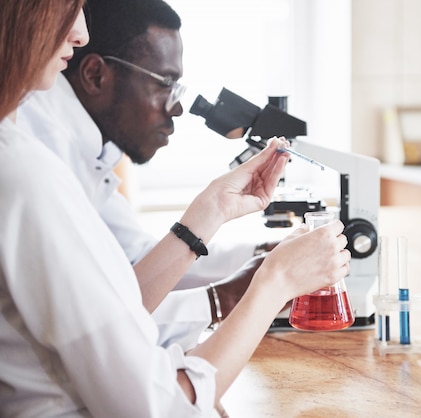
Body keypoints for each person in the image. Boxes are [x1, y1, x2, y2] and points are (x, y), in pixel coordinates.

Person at [0, 0, 351, 415]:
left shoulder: (22, 152)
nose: (81, 32)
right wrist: (275, 283)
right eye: (69, 6)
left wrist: (213, 209)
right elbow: (160, 406)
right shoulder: (28, 170)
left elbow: (112, 305)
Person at [17, 0, 279, 343]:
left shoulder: (86, 147)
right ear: (95, 75)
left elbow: (139, 258)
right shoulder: (40, 152)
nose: (180, 108)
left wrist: (262, 254)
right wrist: (232, 296)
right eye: (165, 83)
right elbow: (96, 323)